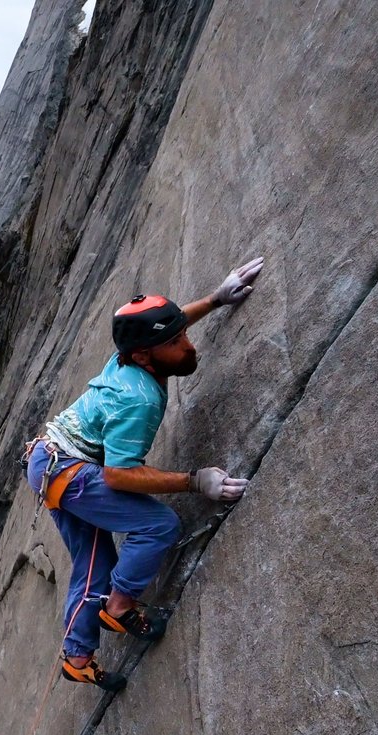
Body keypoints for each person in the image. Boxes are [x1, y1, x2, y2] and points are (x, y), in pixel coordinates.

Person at [25, 257, 264, 690]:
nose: (188, 346)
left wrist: (214, 298)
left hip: (51, 460)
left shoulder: (128, 358)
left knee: (93, 562)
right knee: (158, 525)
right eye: (176, 342)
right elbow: (118, 476)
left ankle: (77, 658)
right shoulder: (139, 399)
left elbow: (161, 332)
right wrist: (195, 481)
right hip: (70, 473)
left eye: (183, 334)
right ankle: (117, 608)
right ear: (144, 356)